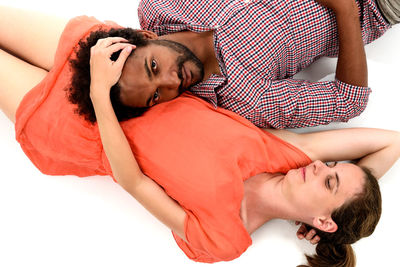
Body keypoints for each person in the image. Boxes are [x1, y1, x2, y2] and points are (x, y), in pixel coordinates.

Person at [1, 7, 400, 267]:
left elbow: (133, 181)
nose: (318, 168)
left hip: (79, 127)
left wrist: (99, 97)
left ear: (322, 221)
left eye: (329, 180)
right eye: (330, 168)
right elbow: (392, 142)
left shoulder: (226, 238)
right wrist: (340, 207)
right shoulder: (287, 154)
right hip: (119, 65)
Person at [67, 0, 398, 128]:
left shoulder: (160, 5)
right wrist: (345, 11)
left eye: (153, 67)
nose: (170, 82)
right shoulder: (243, 99)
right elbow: (348, 100)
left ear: (145, 37)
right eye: (156, 96)